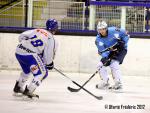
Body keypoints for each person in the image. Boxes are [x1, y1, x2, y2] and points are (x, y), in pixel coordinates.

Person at [13, 19, 58, 99]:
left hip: (19, 51)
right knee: (42, 73)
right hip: (30, 54)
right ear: (55, 28)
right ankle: (29, 91)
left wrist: (26, 44)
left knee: (27, 70)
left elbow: (22, 36)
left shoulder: (38, 30)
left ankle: (18, 87)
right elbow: (48, 56)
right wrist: (49, 64)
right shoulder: (51, 39)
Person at [95, 20, 129, 90]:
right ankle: (105, 82)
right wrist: (105, 57)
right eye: (100, 29)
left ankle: (118, 83)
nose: (102, 31)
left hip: (121, 50)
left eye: (103, 29)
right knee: (100, 65)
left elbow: (126, 34)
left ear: (106, 28)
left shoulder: (114, 30)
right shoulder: (98, 39)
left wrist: (123, 42)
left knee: (114, 63)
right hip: (110, 52)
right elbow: (102, 51)